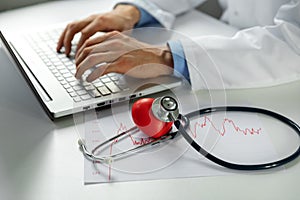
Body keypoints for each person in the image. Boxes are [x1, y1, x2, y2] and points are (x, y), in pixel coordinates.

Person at [56, 0, 300, 91]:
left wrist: (165, 57)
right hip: (230, 58)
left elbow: (294, 42)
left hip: (285, 87)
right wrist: (136, 10)